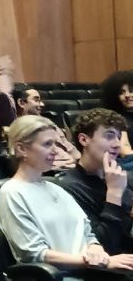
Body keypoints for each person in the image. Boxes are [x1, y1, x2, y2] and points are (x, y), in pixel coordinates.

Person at [0, 114, 132, 281]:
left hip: (91, 272)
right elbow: (34, 254)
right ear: (22, 149)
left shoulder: (55, 188)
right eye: (47, 144)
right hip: (56, 279)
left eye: (56, 144)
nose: (55, 151)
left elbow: (88, 234)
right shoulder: (12, 192)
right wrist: (99, 261)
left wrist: (96, 251)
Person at [57, 107, 133, 255]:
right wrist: (114, 195)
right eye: (109, 136)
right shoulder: (68, 188)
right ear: (84, 140)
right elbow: (103, 247)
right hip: (111, 263)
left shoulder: (119, 176)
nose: (117, 144)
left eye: (118, 137)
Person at [0, 54, 44, 137]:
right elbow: (4, 97)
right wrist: (4, 73)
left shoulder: (43, 123)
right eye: (36, 100)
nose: (42, 104)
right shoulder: (14, 126)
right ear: (22, 103)